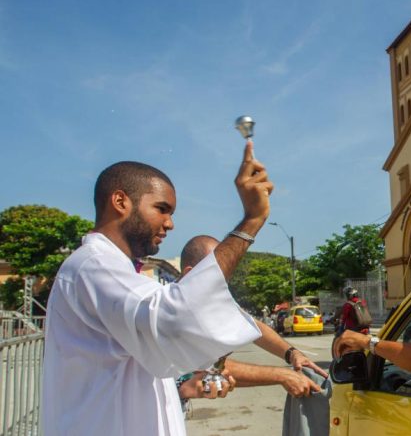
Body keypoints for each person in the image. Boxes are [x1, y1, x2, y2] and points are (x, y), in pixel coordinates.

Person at [42, 141, 273, 436]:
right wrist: (251, 222)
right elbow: (173, 319)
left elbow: (142, 356)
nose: (170, 224)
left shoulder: (115, 270)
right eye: (162, 209)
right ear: (120, 201)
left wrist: (180, 386)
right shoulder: (94, 265)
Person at [175, 235, 326, 401]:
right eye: (218, 275)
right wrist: (283, 375)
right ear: (190, 274)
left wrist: (292, 354)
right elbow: (212, 368)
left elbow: (253, 326)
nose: (225, 284)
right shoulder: (174, 311)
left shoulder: (206, 299)